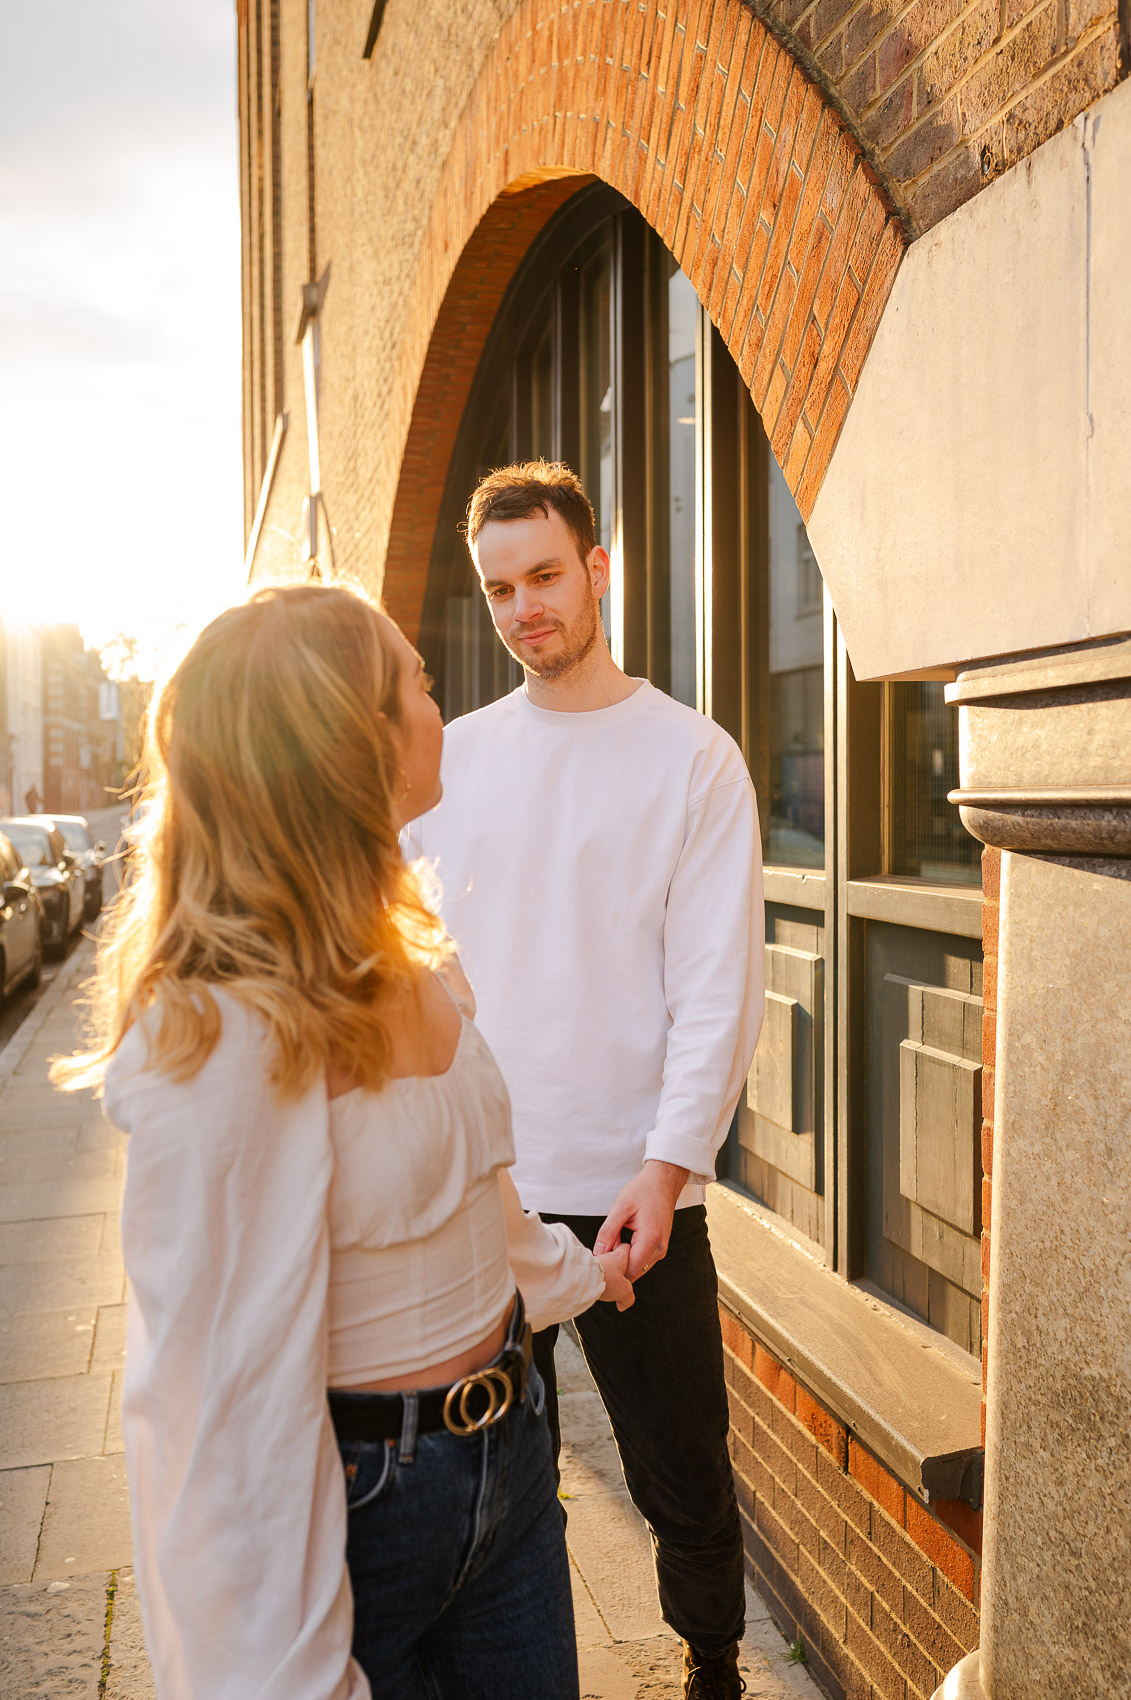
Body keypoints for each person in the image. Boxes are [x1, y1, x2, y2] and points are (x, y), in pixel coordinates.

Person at [52, 581, 635, 1700]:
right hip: (365, 1507)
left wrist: (581, 1277)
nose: (437, 698)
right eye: (414, 680)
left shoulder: (414, 952)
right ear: (344, 744)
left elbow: (481, 1204)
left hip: (511, 1466)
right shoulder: (223, 1024)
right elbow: (213, 1406)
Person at [411, 462, 766, 1700]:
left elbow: (718, 989)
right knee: (505, 1486)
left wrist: (668, 1169)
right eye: (500, 589)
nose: (523, 609)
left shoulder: (691, 760)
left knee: (683, 1473)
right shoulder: (445, 766)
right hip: (483, 1201)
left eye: (545, 576)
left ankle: (713, 1664)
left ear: (598, 568)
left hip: (635, 1189)